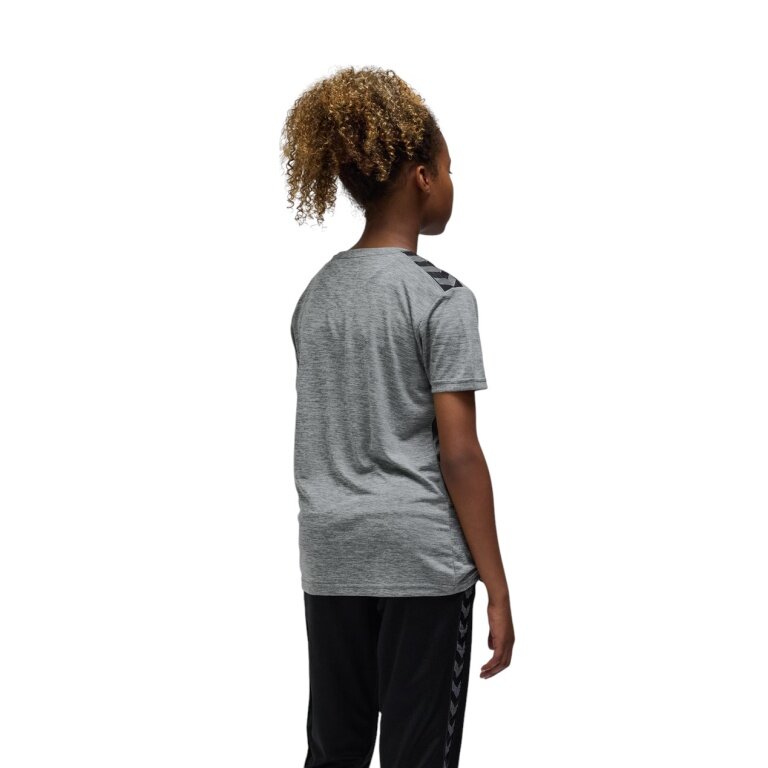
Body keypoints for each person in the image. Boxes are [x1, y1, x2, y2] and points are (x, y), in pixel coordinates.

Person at [281, 65, 514, 768]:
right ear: (421, 177)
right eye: (448, 168)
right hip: (420, 562)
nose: (451, 182)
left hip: (332, 559)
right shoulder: (442, 299)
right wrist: (497, 584)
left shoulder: (316, 295)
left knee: (335, 752)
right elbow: (459, 453)